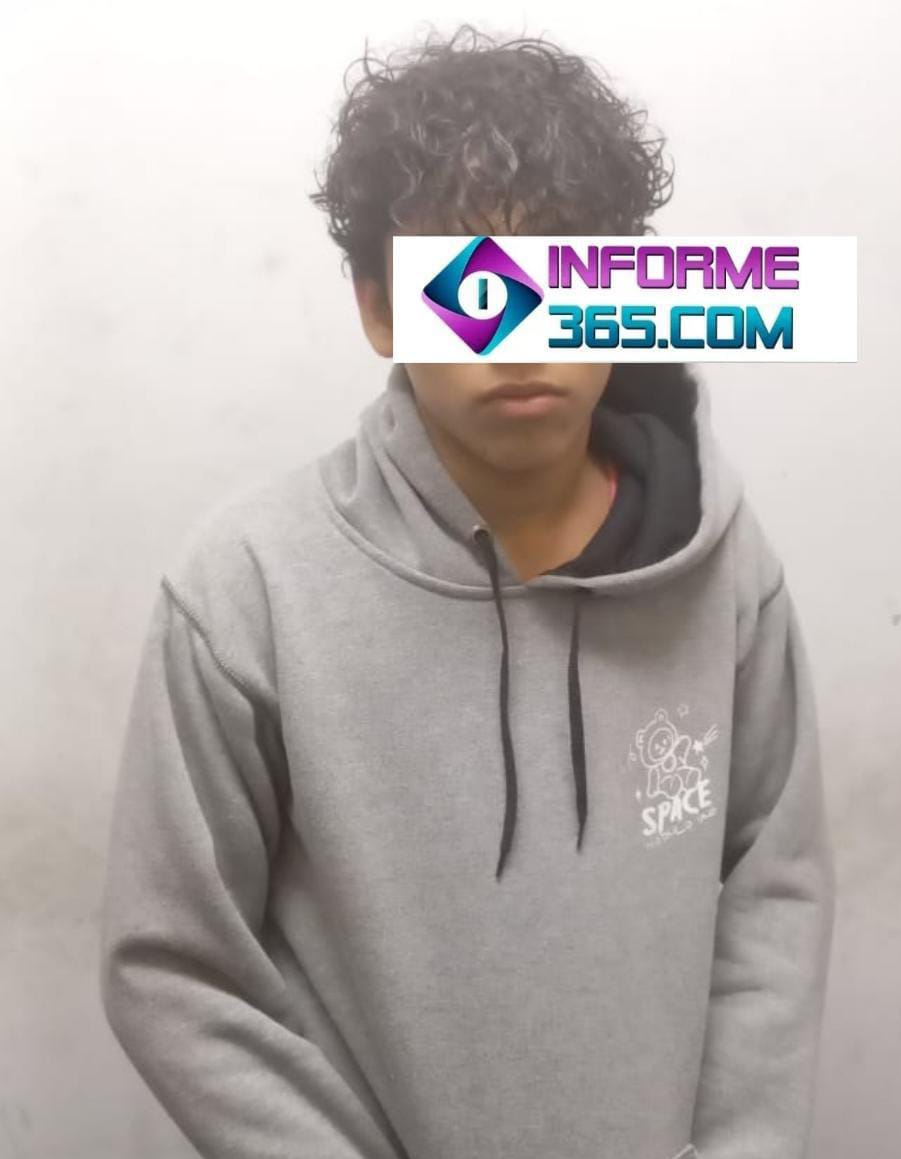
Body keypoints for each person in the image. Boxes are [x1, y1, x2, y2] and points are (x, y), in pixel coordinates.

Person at [98, 22, 836, 1159]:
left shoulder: (726, 568)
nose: (519, 327)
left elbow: (773, 890)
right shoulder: (246, 592)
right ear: (378, 307)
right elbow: (173, 963)